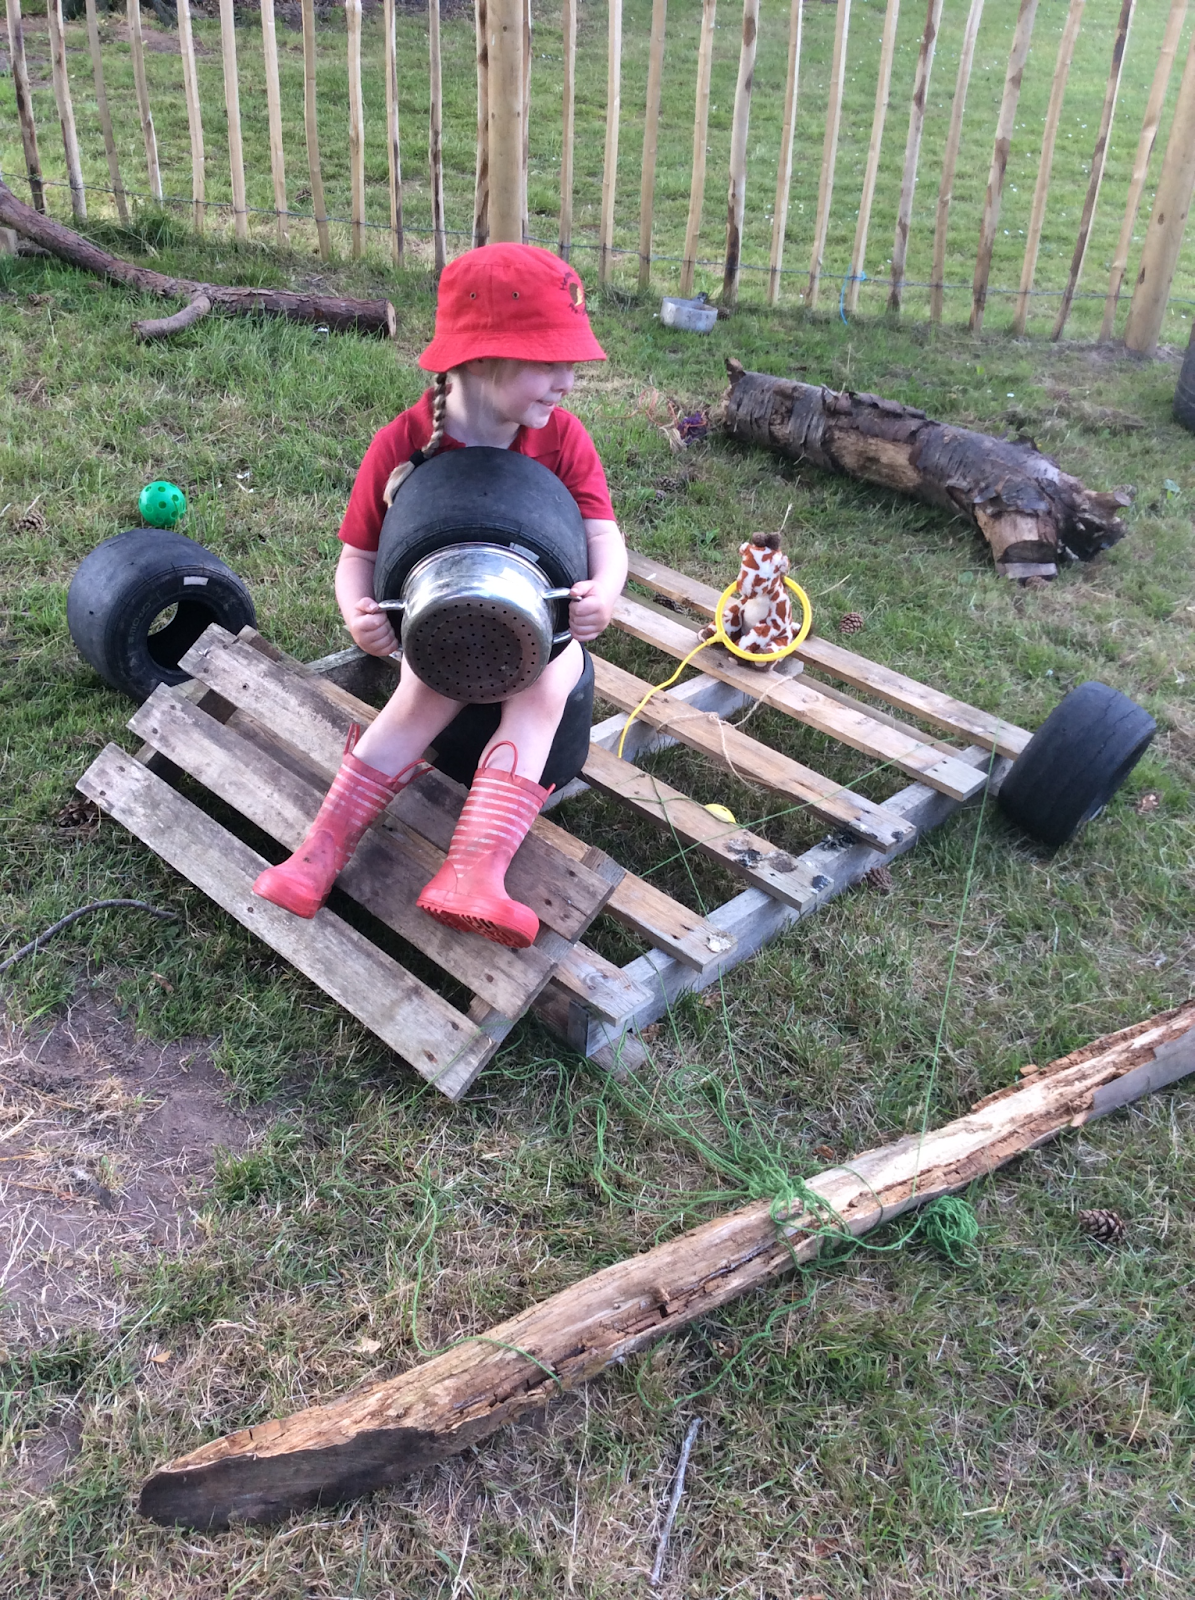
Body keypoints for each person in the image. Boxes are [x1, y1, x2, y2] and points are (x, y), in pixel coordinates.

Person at [253, 243, 627, 949]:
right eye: (550, 361)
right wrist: (359, 614)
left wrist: (603, 593)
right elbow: (358, 557)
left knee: (550, 685)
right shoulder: (402, 445)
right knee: (414, 703)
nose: (569, 381)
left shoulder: (561, 438)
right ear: (482, 357)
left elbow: (604, 534)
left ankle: (473, 872)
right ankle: (316, 855)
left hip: (543, 627)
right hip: (441, 629)